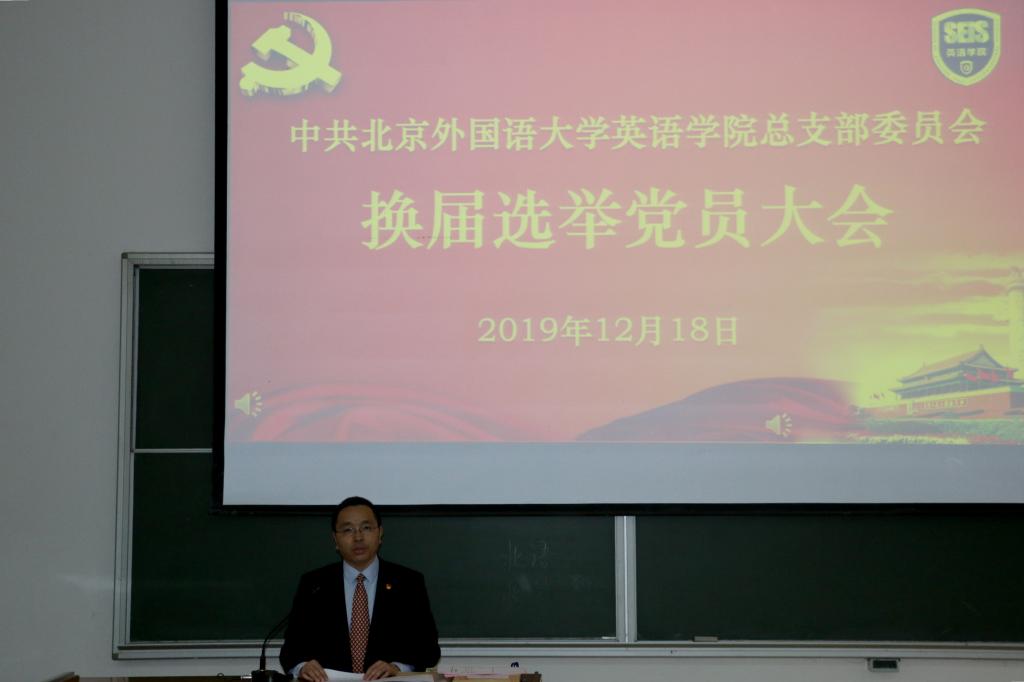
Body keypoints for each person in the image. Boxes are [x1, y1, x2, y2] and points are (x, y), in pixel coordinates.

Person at [280, 496, 441, 681]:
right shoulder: (314, 585)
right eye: (348, 530)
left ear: (380, 533)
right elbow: (290, 651)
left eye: (366, 528)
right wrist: (302, 667)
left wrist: (396, 668)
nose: (358, 537)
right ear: (335, 539)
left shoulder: (408, 583)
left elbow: (429, 650)